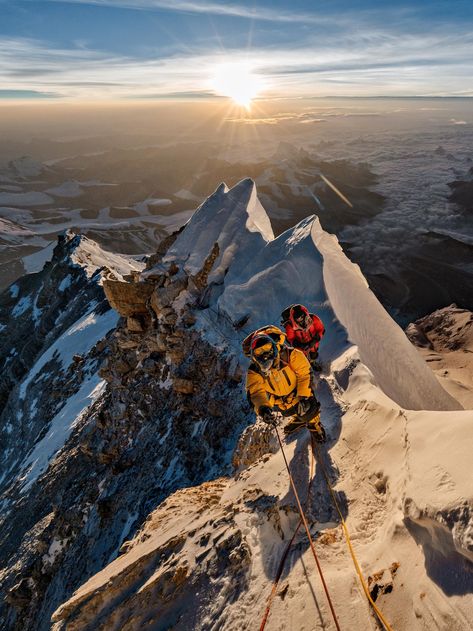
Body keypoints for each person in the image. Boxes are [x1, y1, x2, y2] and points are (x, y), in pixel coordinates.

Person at [244, 327, 326, 441]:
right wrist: (263, 409)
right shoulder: (254, 371)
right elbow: (256, 392)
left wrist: (304, 396)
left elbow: (305, 374)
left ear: (273, 347)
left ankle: (315, 425)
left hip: (298, 392)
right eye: (260, 352)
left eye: (267, 349)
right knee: (289, 411)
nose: (265, 355)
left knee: (308, 410)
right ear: (254, 356)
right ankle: (299, 419)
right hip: (280, 400)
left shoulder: (290, 354)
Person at [281, 304, 325, 370]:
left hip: (313, 340)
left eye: (301, 316)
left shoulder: (313, 318)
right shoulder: (290, 326)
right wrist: (300, 345)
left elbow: (321, 329)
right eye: (298, 318)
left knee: (314, 352)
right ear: (294, 319)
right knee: (303, 357)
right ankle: (307, 368)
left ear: (305, 314)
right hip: (300, 344)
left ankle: (313, 362)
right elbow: (290, 338)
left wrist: (315, 340)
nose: (300, 319)